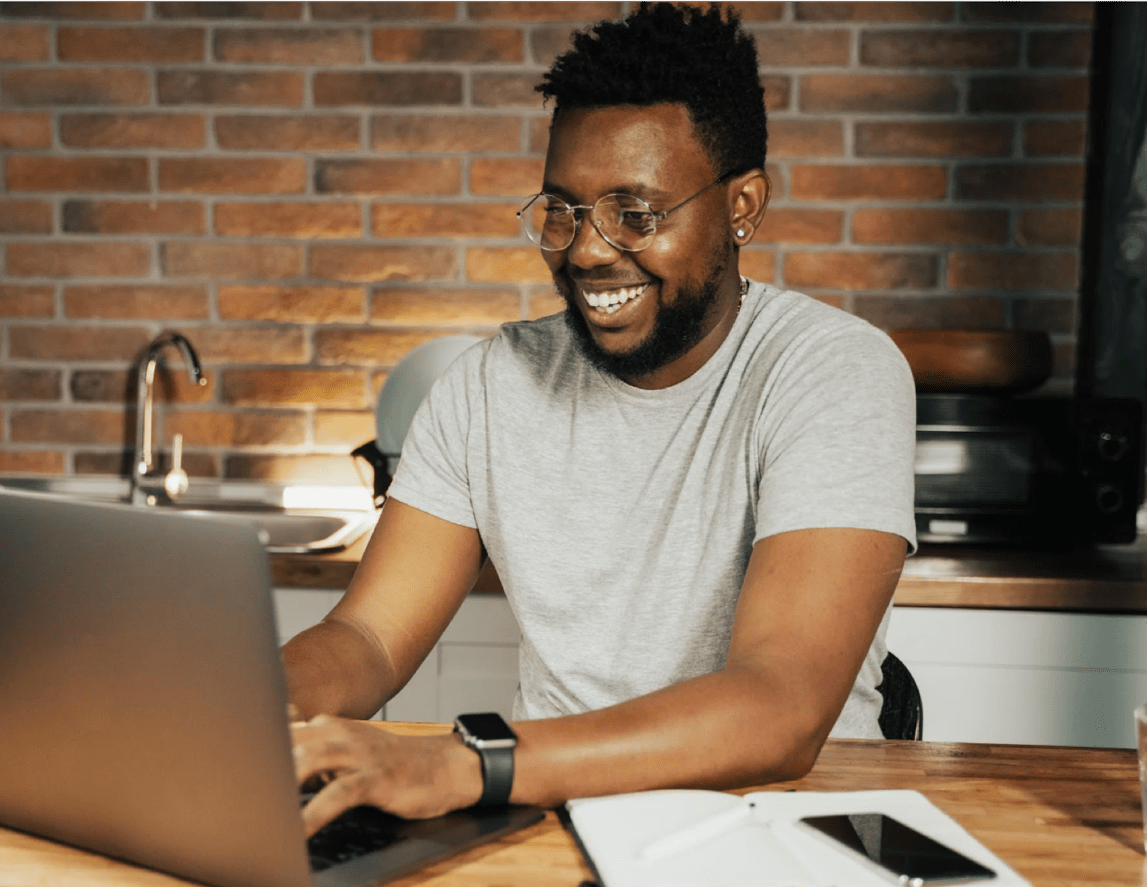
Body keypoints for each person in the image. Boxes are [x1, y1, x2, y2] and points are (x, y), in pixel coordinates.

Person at [283, 2, 916, 836]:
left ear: (741, 206)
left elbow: (781, 707)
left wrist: (466, 764)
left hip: (782, 827)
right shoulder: (487, 386)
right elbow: (366, 635)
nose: (585, 250)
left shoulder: (832, 372)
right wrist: (239, 706)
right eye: (564, 209)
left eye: (634, 214)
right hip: (543, 818)